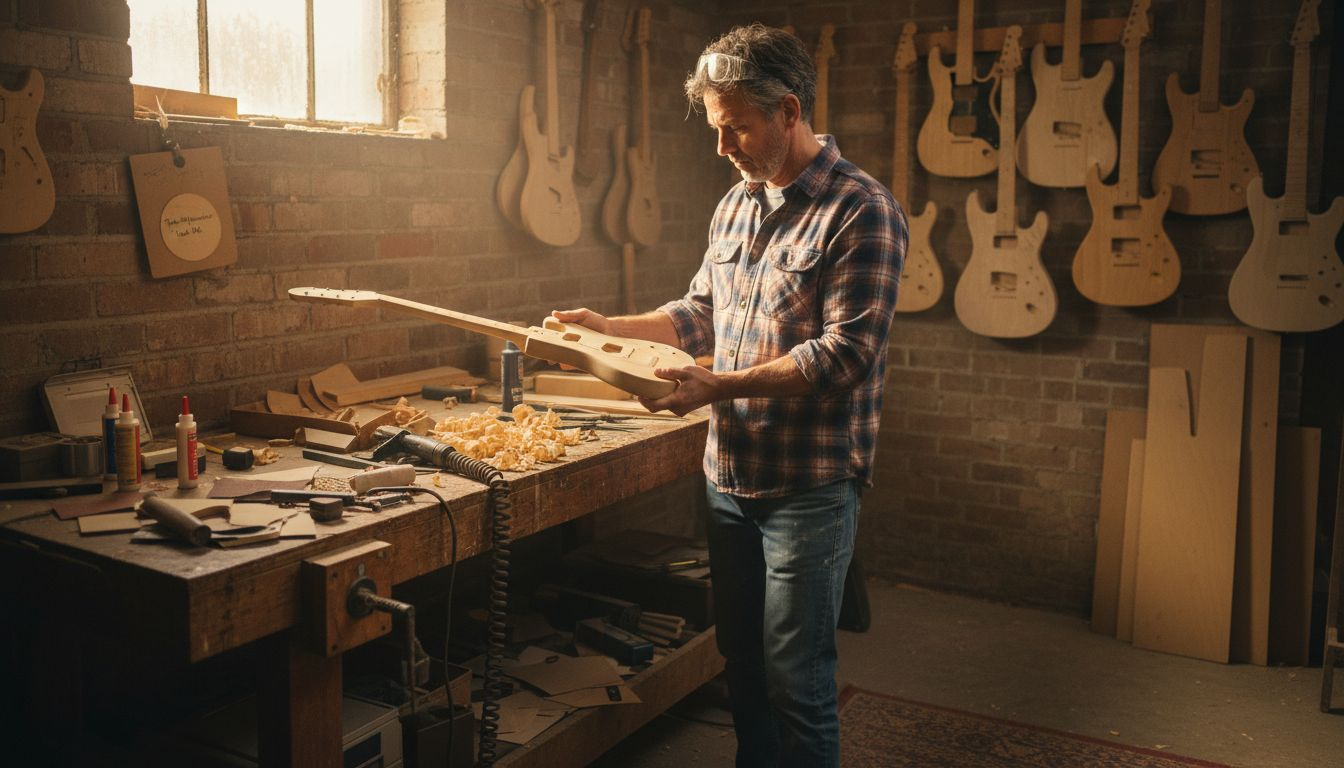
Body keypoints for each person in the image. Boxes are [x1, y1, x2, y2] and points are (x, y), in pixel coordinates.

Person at [552, 23, 906, 768]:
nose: (723, 147)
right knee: (740, 668)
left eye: (735, 128)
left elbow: (843, 354)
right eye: (717, 128)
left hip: (808, 486)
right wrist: (605, 326)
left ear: (789, 111)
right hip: (727, 478)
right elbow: (699, 313)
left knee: (797, 681)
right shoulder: (737, 204)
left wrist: (719, 385)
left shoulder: (861, 211)